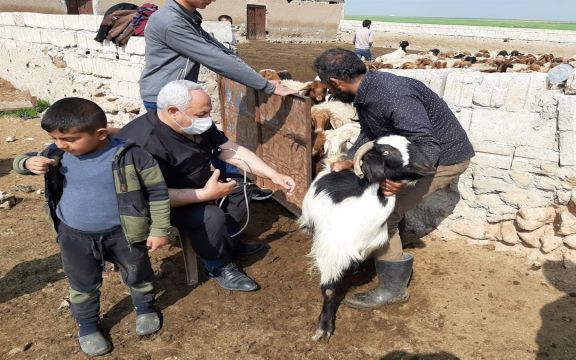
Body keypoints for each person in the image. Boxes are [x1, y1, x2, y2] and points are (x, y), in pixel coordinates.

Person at [313, 48, 475, 309]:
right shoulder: (368, 88)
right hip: (415, 154)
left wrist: (406, 180)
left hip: (443, 159)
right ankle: (381, 251)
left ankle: (393, 289)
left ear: (334, 83)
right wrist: (352, 158)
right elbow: (371, 129)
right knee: (377, 198)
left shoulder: (393, 96)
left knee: (385, 216)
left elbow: (428, 144)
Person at [13, 98, 171, 356]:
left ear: (100, 134)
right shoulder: (57, 153)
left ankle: (144, 308)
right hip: (74, 236)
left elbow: (158, 193)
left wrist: (159, 230)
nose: (61, 144)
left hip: (124, 234)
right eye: (55, 138)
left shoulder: (133, 157)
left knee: (138, 274)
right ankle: (87, 326)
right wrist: (27, 163)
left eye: (70, 139)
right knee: (82, 284)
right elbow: (24, 161)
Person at [118, 80, 296, 292]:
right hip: (161, 204)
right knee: (211, 217)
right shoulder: (143, 143)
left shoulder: (193, 123)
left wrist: (273, 174)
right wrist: (203, 195)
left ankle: (228, 243)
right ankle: (217, 265)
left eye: (208, 113)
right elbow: (145, 196)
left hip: (200, 185)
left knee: (242, 190)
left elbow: (228, 149)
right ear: (173, 111)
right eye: (202, 115)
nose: (207, 120)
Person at [140, 0, 295, 110]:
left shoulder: (186, 18)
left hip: (176, 96)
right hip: (164, 101)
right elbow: (216, 59)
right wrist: (267, 87)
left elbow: (222, 51)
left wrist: (259, 80)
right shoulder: (171, 22)